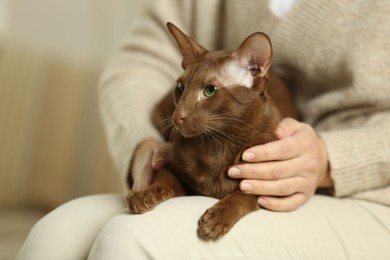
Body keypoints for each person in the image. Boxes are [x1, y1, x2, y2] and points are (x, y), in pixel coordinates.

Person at [17, 0, 390, 259]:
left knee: (130, 243)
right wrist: (140, 143)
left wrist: (333, 158)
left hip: (367, 197)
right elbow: (142, 59)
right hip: (214, 148)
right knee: (54, 236)